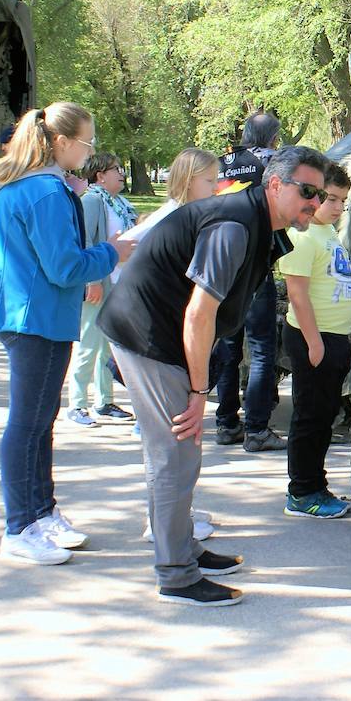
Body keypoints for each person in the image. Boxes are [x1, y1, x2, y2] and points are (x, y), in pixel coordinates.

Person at [98, 145, 329, 607]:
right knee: (174, 454)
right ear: (275, 185)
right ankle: (176, 576)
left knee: (181, 452)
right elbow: (199, 314)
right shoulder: (235, 225)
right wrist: (199, 390)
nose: (316, 203)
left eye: (321, 195)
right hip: (148, 336)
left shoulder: (259, 221)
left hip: (162, 334)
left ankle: (183, 549)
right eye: (308, 191)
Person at [0, 103, 136, 565]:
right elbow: (65, 267)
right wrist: (112, 252)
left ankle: (40, 513)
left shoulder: (33, 183)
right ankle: (20, 526)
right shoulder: (44, 190)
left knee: (38, 421)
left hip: (29, 313)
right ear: (61, 142)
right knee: (30, 423)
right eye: (87, 143)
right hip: (33, 316)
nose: (90, 151)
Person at [116, 147, 219, 544]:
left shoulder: (183, 215)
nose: (215, 188)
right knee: (170, 440)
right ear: (189, 180)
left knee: (174, 440)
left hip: (158, 333)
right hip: (152, 338)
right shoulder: (171, 218)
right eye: (209, 181)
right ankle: (164, 525)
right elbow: (122, 250)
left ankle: (175, 512)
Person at [277, 161, 351, 519]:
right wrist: (314, 343)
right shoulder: (303, 235)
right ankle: (302, 492)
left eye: (343, 201)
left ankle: (315, 484)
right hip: (315, 338)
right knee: (310, 417)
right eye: (332, 199)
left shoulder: (327, 232)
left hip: (333, 337)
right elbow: (297, 294)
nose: (338, 207)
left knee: (324, 416)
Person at [212, 112, 286, 451]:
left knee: (228, 346)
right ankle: (257, 428)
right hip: (256, 263)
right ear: (272, 137)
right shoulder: (274, 163)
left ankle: (226, 422)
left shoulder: (224, 163)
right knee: (261, 349)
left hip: (224, 262)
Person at [66, 152, 138, 427]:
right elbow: (84, 241)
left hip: (119, 282)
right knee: (89, 344)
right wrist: (91, 281)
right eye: (115, 169)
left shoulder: (119, 203)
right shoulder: (93, 200)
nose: (121, 173)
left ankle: (104, 401)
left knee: (108, 345)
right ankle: (77, 404)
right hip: (98, 281)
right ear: (100, 175)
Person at [123, 148, 218, 242]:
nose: (216, 188)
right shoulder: (169, 217)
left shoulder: (195, 216)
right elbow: (125, 242)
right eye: (210, 181)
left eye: (216, 180)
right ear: (187, 181)